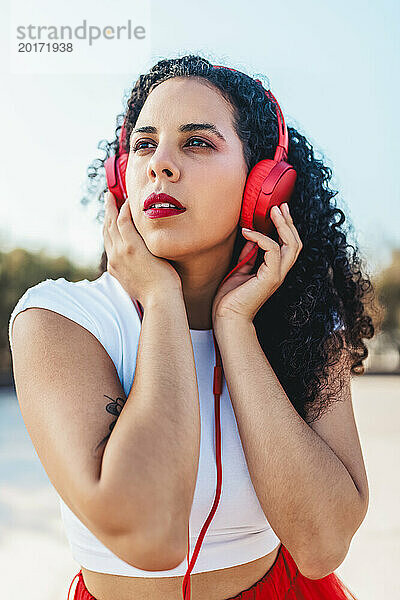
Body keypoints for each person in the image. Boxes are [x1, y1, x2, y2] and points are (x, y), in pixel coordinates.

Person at [9, 54, 379, 600]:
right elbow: (150, 534)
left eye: (197, 142)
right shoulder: (58, 320)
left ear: (263, 186)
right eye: (143, 144)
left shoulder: (302, 324)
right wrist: (161, 301)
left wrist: (235, 328)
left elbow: (322, 546)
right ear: (121, 180)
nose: (160, 164)